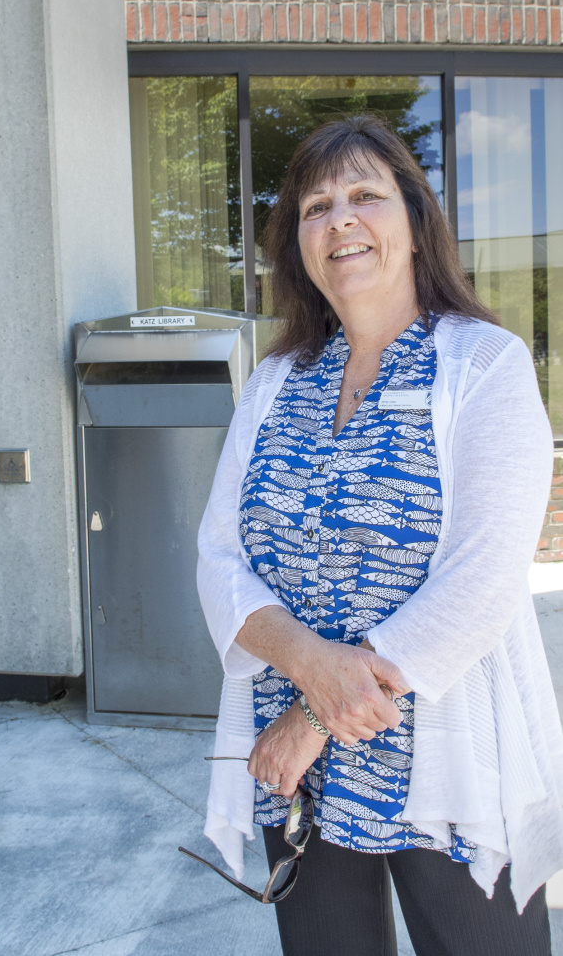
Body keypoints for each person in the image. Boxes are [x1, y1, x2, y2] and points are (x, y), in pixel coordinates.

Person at [196, 115, 563, 956]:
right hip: (300, 775)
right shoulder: (272, 383)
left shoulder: (482, 366)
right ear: (298, 243)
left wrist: (316, 711)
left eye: (366, 194)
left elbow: (483, 580)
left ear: (413, 218)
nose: (341, 219)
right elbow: (220, 559)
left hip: (448, 761)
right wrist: (307, 667)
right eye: (316, 206)